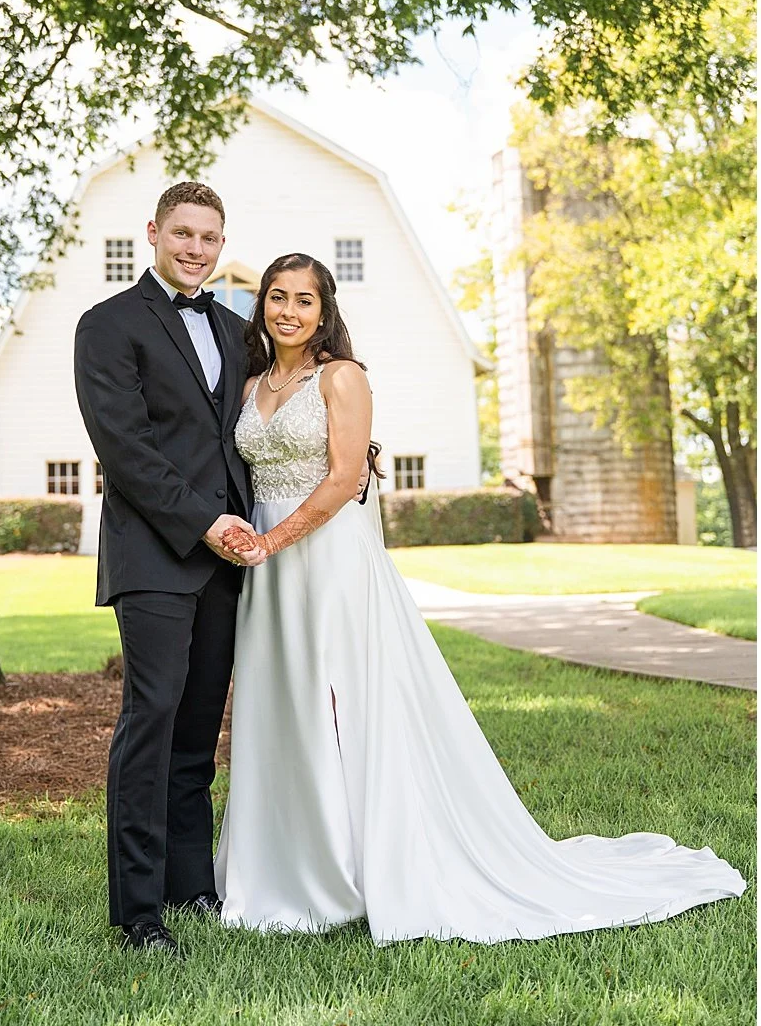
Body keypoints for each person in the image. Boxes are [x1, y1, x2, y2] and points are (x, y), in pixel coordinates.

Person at [214, 252, 746, 943]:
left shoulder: (342, 378)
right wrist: (250, 541)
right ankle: (289, 865)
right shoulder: (253, 383)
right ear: (263, 305)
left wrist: (273, 539)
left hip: (327, 559)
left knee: (346, 701)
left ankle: (363, 867)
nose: (288, 310)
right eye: (277, 297)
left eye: (303, 300)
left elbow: (347, 478)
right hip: (268, 565)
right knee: (284, 704)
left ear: (325, 310)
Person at [73, 181, 263, 956]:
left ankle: (193, 887)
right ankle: (138, 913)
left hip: (227, 562)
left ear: (222, 244)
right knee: (149, 723)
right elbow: (125, 447)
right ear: (153, 232)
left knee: (197, 731)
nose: (194, 248)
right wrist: (202, 520)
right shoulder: (107, 325)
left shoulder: (234, 326)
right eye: (182, 232)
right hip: (155, 553)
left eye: (209, 237)